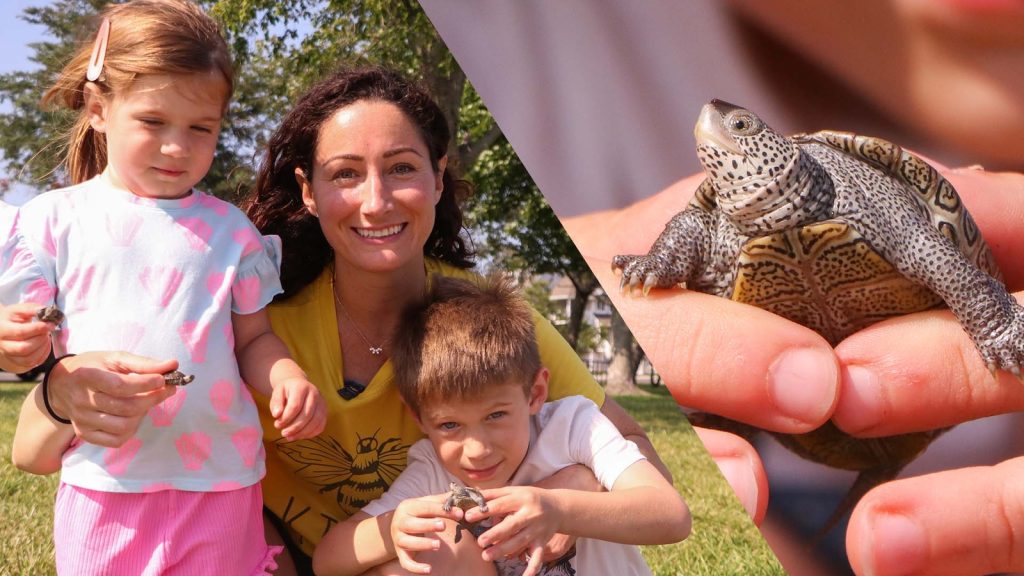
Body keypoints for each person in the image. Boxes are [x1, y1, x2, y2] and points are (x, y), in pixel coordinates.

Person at [416, 1, 1024, 574]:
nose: (714, 130)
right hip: (773, 475)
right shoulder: (514, 44)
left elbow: (930, 253)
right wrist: (622, 310)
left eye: (736, 126)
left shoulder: (857, 183)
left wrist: (999, 325)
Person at [22, 65, 692, 576]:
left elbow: (637, 460)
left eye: (401, 169)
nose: (375, 202)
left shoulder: (491, 321)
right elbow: (30, 452)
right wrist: (60, 393)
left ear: (437, 179)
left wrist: (574, 483)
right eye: (345, 174)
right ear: (309, 192)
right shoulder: (256, 325)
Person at [1, 1, 326, 574]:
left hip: (221, 478)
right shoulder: (55, 221)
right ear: (99, 109)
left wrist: (287, 375)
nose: (178, 146)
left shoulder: (232, 233)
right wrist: (14, 340)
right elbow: (21, 324)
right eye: (153, 122)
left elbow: (253, 340)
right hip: (107, 477)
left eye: (201, 128)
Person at [313, 274, 691, 575]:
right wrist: (394, 527)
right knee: (417, 554)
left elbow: (670, 515)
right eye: (449, 425)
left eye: (495, 416)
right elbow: (327, 559)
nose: (477, 449)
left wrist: (560, 509)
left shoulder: (574, 426)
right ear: (418, 417)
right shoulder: (431, 468)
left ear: (535, 393)